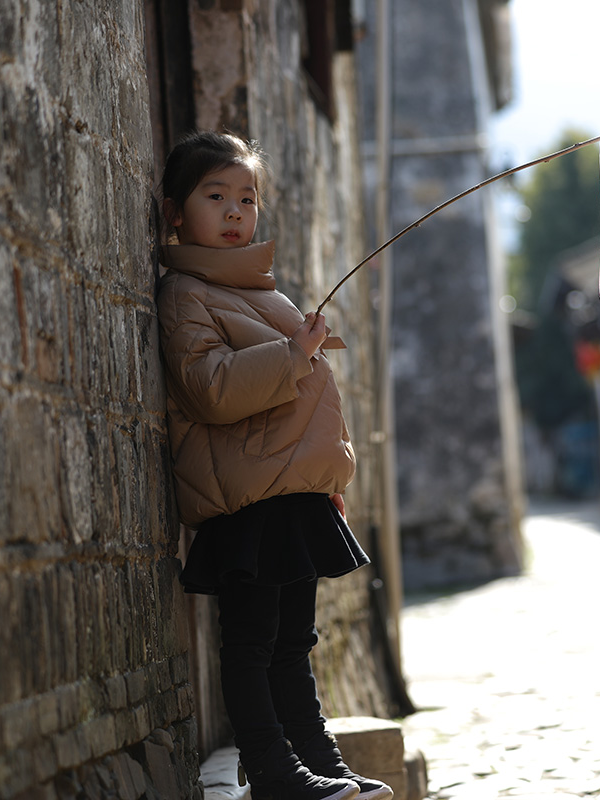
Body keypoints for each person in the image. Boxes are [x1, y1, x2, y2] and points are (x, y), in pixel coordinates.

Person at [156, 131, 394, 800]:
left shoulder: (266, 295)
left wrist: (328, 484)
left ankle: (321, 762)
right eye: (217, 197)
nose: (236, 213)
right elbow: (208, 386)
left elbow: (310, 409)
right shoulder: (187, 294)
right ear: (176, 212)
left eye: (247, 198)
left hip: (292, 498)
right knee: (253, 642)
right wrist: (292, 355)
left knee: (295, 643)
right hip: (247, 503)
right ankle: (273, 772)